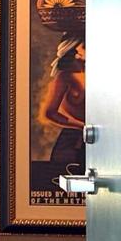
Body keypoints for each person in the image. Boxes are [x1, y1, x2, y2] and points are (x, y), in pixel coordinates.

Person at [40, 35, 85, 171]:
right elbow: (50, 113)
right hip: (72, 141)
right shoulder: (65, 77)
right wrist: (82, 126)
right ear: (75, 50)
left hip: (100, 138)